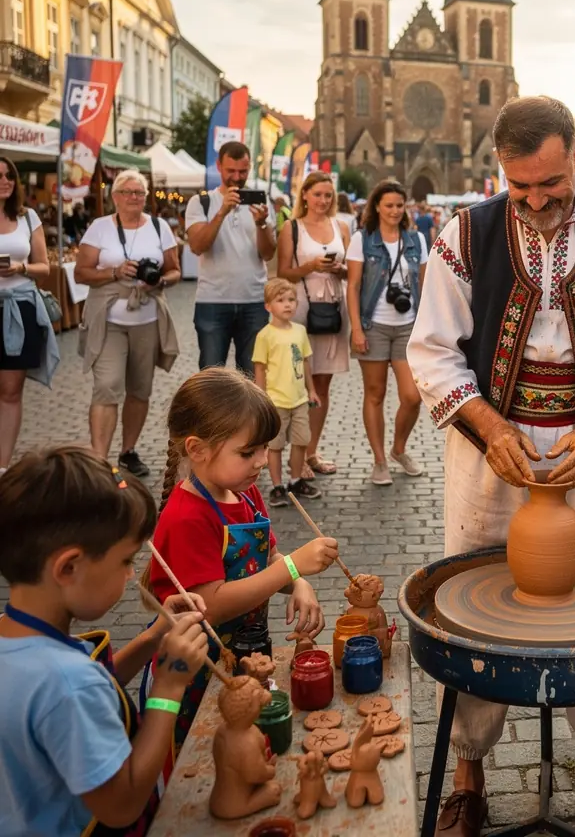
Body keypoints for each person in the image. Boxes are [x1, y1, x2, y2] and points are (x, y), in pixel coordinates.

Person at [408, 96, 575, 837]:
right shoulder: (466, 232)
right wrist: (489, 425)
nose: (534, 202)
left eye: (550, 185)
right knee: (467, 606)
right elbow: (431, 347)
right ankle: (467, 776)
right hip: (486, 454)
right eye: (518, 186)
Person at [0, 446, 209, 836]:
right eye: (125, 561)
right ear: (69, 567)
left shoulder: (18, 638)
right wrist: (169, 687)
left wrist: (154, 635)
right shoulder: (67, 683)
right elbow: (121, 804)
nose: (131, 576)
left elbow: (99, 683)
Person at [141, 367, 338, 752]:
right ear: (197, 449)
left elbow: (266, 559)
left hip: (244, 658)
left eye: (265, 448)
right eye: (248, 452)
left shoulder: (242, 493)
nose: (262, 461)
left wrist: (297, 583)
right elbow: (210, 605)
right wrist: (293, 567)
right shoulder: (187, 516)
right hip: (194, 673)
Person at [76, 170, 180, 476]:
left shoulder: (160, 227)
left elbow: (174, 270)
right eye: (128, 192)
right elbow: (81, 273)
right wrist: (114, 273)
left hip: (147, 319)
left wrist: (159, 279)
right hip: (109, 320)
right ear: (115, 196)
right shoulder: (100, 228)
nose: (134, 197)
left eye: (140, 193)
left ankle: (128, 451)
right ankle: (98, 459)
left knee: (140, 389)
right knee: (107, 385)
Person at [346, 180, 428, 486]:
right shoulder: (362, 240)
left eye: (399, 205)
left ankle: (398, 449)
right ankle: (379, 460)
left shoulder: (416, 239)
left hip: (408, 326)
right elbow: (353, 286)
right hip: (373, 325)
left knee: (412, 396)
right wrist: (356, 327)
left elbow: (426, 282)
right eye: (389, 205)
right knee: (376, 394)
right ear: (377, 207)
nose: (395, 211)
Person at [277, 171, 349, 477]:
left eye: (328, 195)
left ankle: (311, 451)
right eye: (317, 194)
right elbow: (283, 273)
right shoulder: (291, 228)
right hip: (302, 310)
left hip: (333, 309)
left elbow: (352, 274)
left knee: (322, 385)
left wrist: (340, 270)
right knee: (298, 387)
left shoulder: (341, 227)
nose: (323, 200)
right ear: (304, 195)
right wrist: (311, 266)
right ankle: (297, 457)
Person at [186, 142, 276, 375]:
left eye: (243, 171)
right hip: (213, 300)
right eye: (231, 171)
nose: (237, 177)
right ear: (219, 167)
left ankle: (249, 415)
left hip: (254, 300)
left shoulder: (261, 203)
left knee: (252, 377)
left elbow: (267, 253)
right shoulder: (201, 202)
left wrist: (262, 224)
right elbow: (197, 246)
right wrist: (221, 212)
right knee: (211, 377)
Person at [0, 154, 58, 473]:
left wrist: (20, 267)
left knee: (10, 391)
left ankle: (2, 466)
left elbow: (43, 268)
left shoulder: (28, 216)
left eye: (9, 176)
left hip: (19, 308)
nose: (5, 181)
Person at [252, 279, 321, 504]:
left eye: (291, 300)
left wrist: (311, 390)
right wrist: (261, 397)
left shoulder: (300, 331)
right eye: (280, 300)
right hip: (276, 401)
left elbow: (305, 363)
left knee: (301, 441)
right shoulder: (265, 335)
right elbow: (260, 368)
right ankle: (277, 485)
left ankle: (295, 480)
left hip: (299, 399)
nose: (287, 305)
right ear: (268, 306)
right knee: (275, 445)